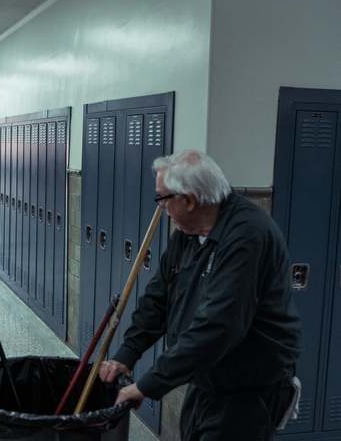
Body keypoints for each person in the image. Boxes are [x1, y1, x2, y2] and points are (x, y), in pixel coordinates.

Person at [99, 150, 302, 440]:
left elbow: (219, 325)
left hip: (249, 391)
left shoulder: (247, 235)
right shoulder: (187, 232)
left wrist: (147, 385)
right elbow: (158, 298)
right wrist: (126, 354)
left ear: (190, 200)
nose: (161, 209)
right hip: (209, 380)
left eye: (163, 199)